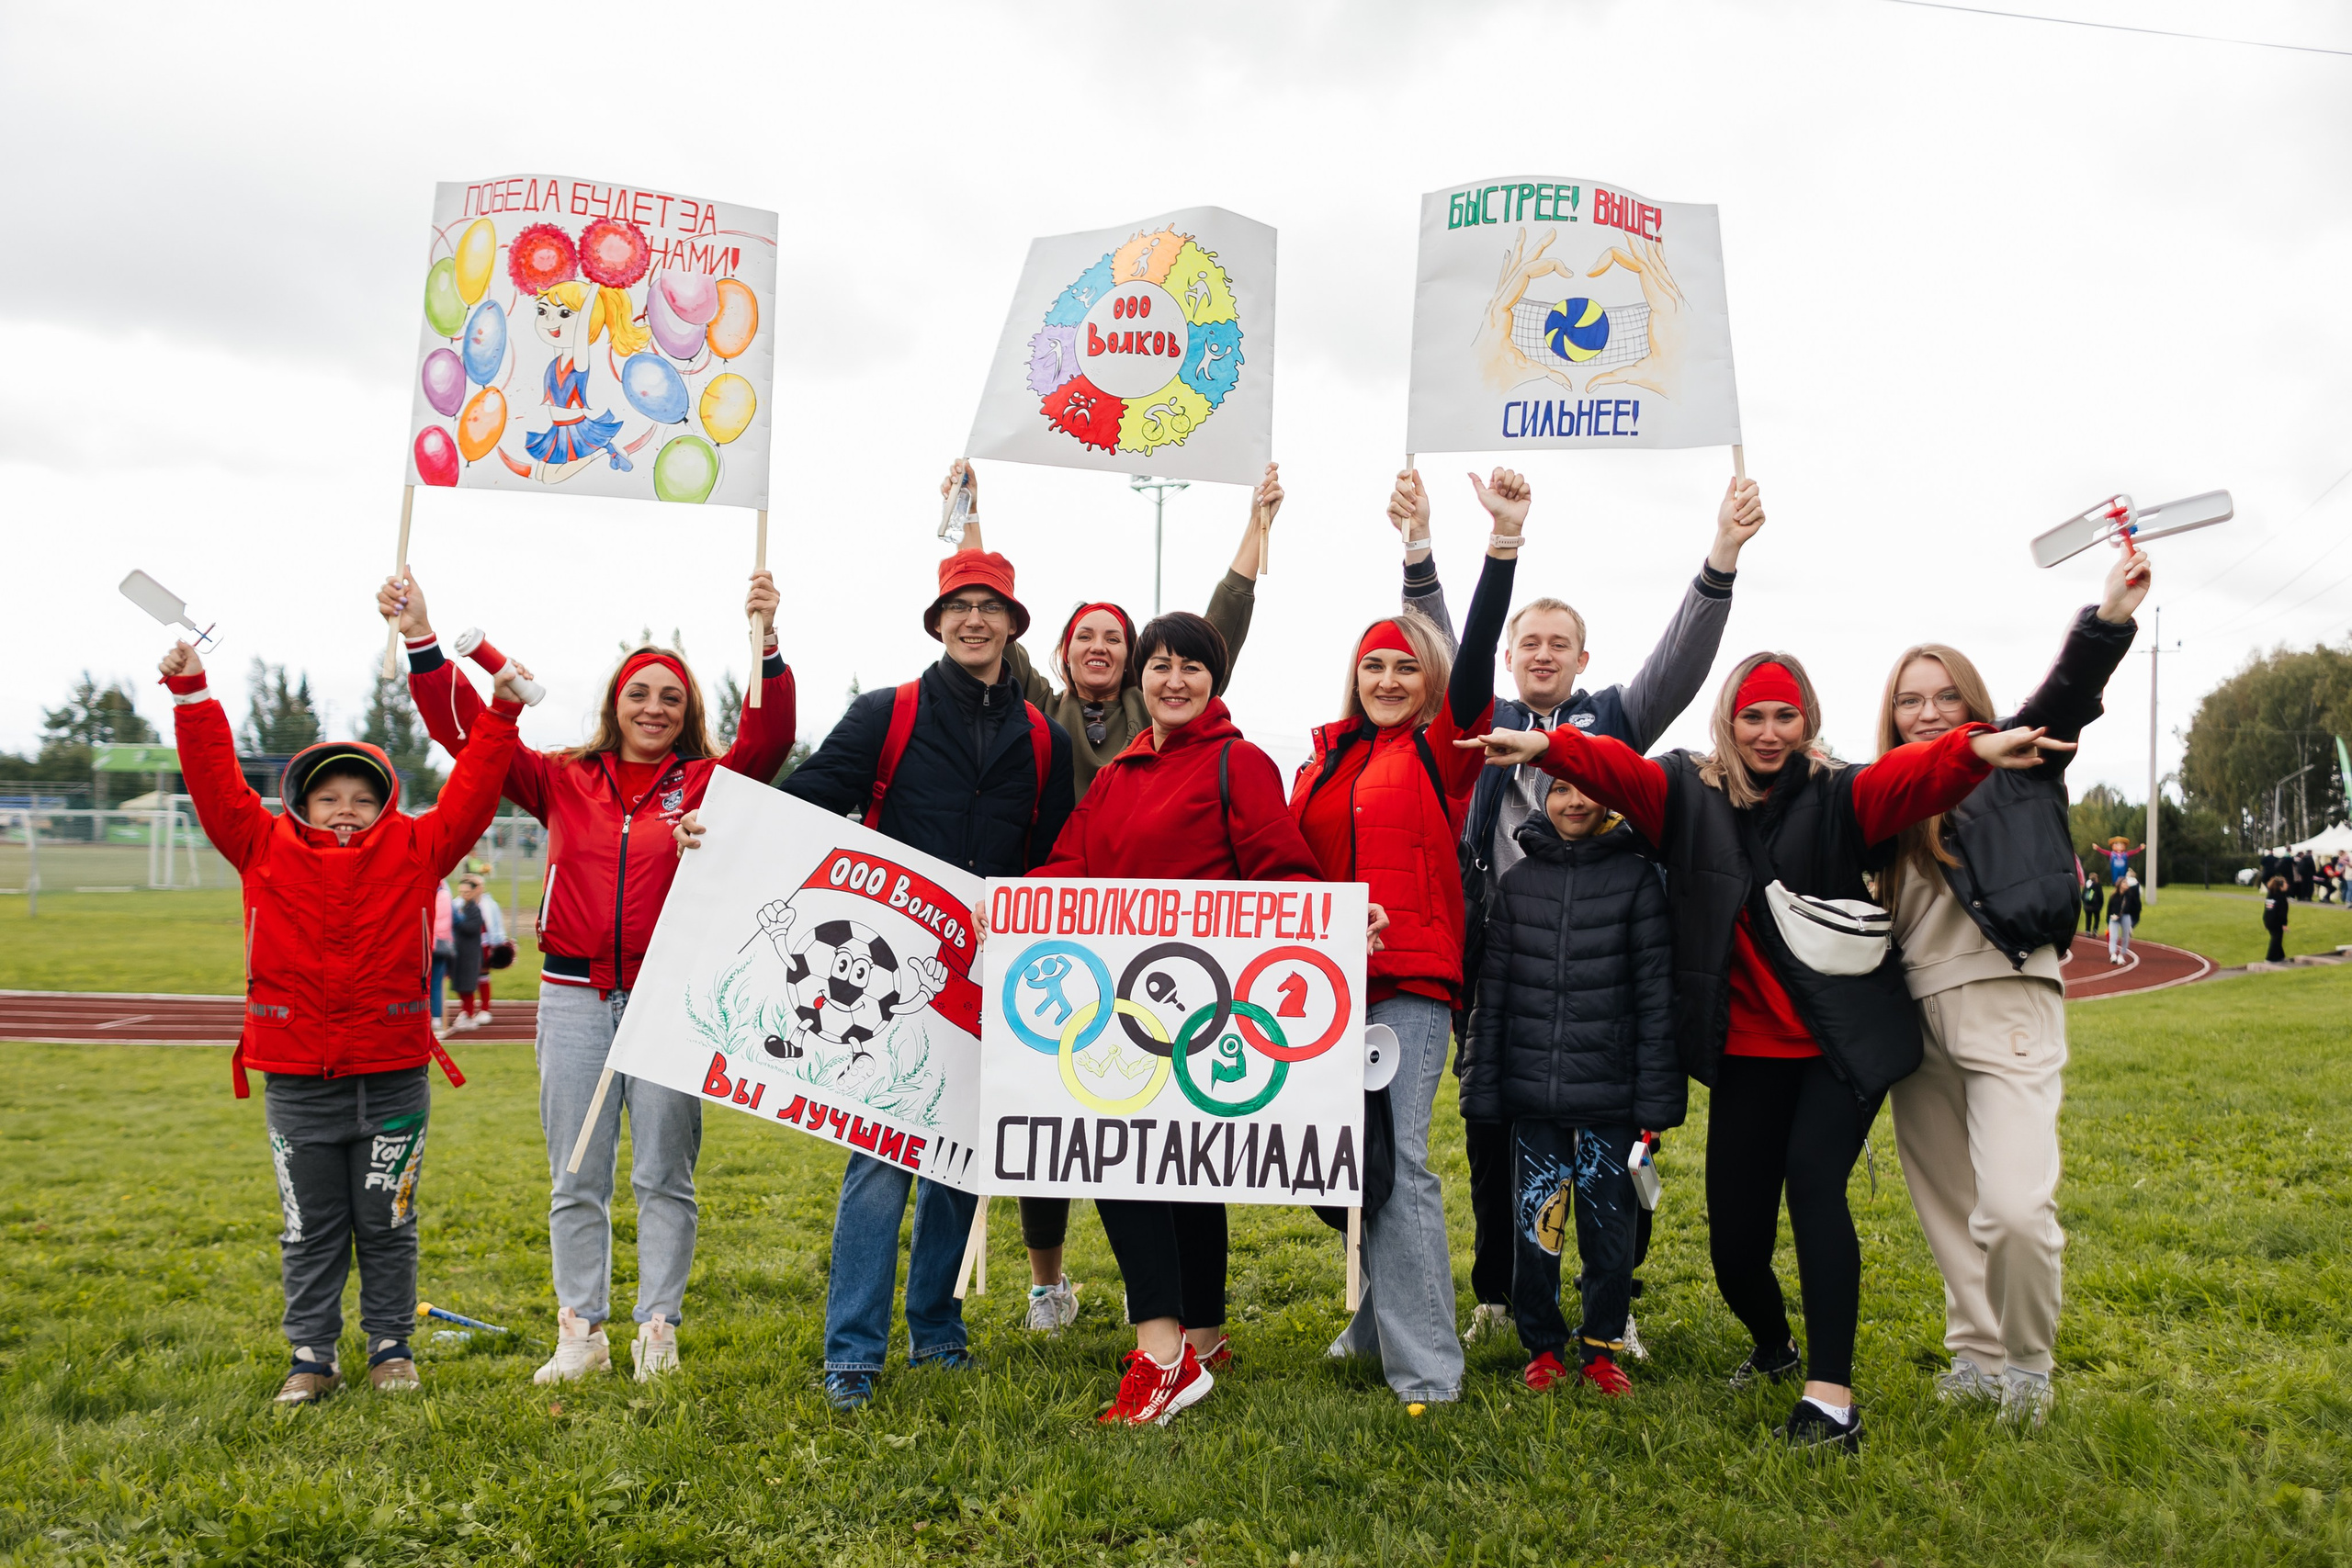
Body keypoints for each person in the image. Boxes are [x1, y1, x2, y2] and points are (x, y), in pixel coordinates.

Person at [1463, 652, 2067, 1450]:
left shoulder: (1841, 793)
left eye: (1786, 715)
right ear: (1729, 720)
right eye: (1753, 715)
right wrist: (1551, 747)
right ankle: (1775, 1345)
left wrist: (1973, 748)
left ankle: (1831, 1397)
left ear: (1807, 718)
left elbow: (1911, 778)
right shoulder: (1686, 792)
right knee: (1736, 1246)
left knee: (1816, 1187)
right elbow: (1618, 769)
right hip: (1747, 1054)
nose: (1769, 732)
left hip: (1836, 1047)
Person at [381, 568, 795, 1384]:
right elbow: (468, 735)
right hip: (573, 995)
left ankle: (658, 1328)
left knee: (664, 1174)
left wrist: (768, 640)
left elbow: (770, 735)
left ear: (689, 711)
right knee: (576, 1172)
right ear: (614, 702)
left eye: (671, 697)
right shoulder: (562, 776)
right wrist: (422, 638)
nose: (654, 708)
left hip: (668, 998)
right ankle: (582, 1331)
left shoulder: (710, 782)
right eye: (639, 693)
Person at [1407, 472, 1766, 1348]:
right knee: (1494, 1135)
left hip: (1605, 973)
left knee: (1620, 1148)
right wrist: (1419, 551)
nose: (1542, 653)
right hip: (1505, 970)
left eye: (1558, 643)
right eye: (1528, 641)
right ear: (1508, 655)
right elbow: (1444, 643)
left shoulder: (1614, 723)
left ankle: (1617, 1301)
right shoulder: (1475, 719)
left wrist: (1721, 556)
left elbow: (1679, 665)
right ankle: (1500, 1292)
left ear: (1582, 658)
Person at [939, 456, 1282, 1333]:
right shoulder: (1039, 708)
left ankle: (1179, 1315)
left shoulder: (1178, 727)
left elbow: (1218, 628)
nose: (1102, 649)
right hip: (1068, 937)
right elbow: (983, 620)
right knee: (1065, 1126)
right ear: (1060, 652)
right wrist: (968, 515)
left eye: (1118, 641)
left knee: (1171, 1147)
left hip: (1176, 958)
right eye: (1084, 636)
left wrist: (1257, 528)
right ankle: (1057, 1283)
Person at [157, 636, 525, 1404]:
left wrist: (500, 715)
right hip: (298, 1083)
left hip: (393, 1078)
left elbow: (472, 791)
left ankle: (391, 1347)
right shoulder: (259, 844)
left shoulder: (419, 847)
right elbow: (215, 782)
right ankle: (312, 1355)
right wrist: (193, 695)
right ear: (301, 802)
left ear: (386, 803)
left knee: (389, 1222)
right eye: (329, 797)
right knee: (310, 1229)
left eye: (362, 796)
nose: (346, 809)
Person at [762, 545, 1074, 1410]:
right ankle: (853, 1353)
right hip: (885, 977)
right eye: (959, 607)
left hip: (982, 978)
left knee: (960, 1163)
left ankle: (938, 1332)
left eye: (990, 606)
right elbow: (805, 798)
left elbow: (1055, 857)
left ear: (1012, 624)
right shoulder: (885, 712)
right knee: (879, 1166)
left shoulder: (1042, 738)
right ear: (937, 623)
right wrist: (722, 823)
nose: (974, 620)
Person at [1024, 611, 1329, 1424]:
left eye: (1191, 666)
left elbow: (1284, 871)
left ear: (1213, 679)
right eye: (1159, 665)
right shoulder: (1117, 774)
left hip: (1204, 1010)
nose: (1174, 680)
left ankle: (1165, 1356)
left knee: (1153, 1166)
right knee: (1164, 1168)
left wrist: (1331, 921)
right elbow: (1071, 864)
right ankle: (1200, 1336)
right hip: (1127, 1009)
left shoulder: (1239, 762)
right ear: (1142, 679)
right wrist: (1012, 907)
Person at [1871, 543, 2146, 1427]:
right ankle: (1977, 1355)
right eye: (1909, 699)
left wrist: (2109, 615)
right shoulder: (1877, 795)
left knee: (2015, 1209)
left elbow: (2066, 696)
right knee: (1950, 1207)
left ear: (1974, 703)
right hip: (1910, 1017)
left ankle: (2028, 1365)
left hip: (2008, 996)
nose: (1927, 712)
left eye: (1944, 695)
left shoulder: (2016, 760)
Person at [1295, 466, 1518, 1407]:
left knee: (1400, 1160)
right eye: (1373, 666)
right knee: (1337, 1160)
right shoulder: (1322, 761)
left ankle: (1428, 1366)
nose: (1387, 680)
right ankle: (1376, 1319)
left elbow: (1476, 664)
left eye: (1404, 667)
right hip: (1321, 985)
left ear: (1427, 681)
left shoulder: (1441, 751)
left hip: (1409, 982)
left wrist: (1496, 546)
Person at [1462, 772, 1679, 1397]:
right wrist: (1482, 1088)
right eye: (1559, 789)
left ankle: (1603, 1348)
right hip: (1534, 1101)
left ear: (1607, 797)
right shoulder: (1517, 884)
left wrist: (1655, 1100)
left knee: (1611, 1233)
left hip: (1612, 1100)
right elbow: (1492, 996)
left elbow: (1656, 1000)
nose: (1574, 800)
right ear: (1543, 799)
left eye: (1586, 788)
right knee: (1537, 1229)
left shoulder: (1638, 881)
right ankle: (1543, 1347)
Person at [2108, 873, 2141, 964]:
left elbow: (2129, 907)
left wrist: (2120, 915)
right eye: (2124, 882)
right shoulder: (2114, 895)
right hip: (2113, 918)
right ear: (2120, 884)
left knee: (2125, 937)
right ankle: (2113, 954)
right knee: (2113, 936)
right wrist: (2109, 920)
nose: (2127, 884)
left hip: (2125, 916)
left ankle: (2122, 955)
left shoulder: (2129, 895)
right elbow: (2109, 908)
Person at [2264, 874, 2291, 962]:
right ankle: (2270, 958)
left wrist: (2266, 922)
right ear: (2280, 886)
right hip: (2276, 921)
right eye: (2285, 883)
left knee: (2277, 938)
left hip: (2268, 920)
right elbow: (2282, 912)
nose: (2287, 885)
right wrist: (2284, 924)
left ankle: (2280, 956)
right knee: (2276, 939)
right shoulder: (2281, 897)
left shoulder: (2270, 895)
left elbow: (2268, 909)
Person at [2080, 867, 2105, 935]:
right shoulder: (2098, 885)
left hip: (2087, 906)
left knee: (2088, 918)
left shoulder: (2086, 885)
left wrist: (2085, 903)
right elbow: (2101, 896)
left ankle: (2087, 931)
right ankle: (2095, 930)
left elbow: (2083, 895)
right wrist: (2101, 905)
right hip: (2096, 906)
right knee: (2097, 918)